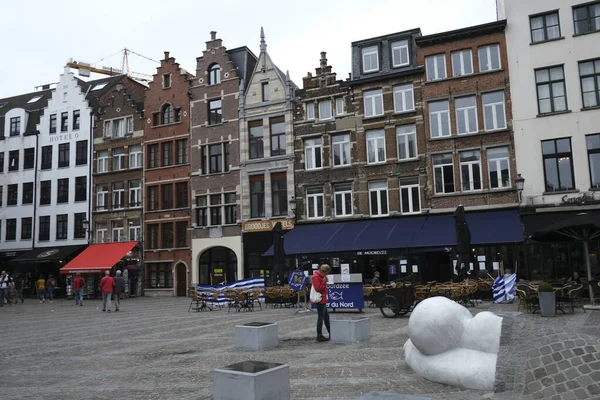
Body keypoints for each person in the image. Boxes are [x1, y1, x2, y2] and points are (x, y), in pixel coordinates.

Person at [312, 264, 331, 342]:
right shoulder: (316, 277)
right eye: (326, 273)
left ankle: (331, 333)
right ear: (323, 271)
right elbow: (318, 288)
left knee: (326, 317)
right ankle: (319, 335)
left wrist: (324, 280)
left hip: (322, 299)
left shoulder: (320, 276)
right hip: (319, 299)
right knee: (321, 318)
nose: (327, 275)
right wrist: (323, 282)